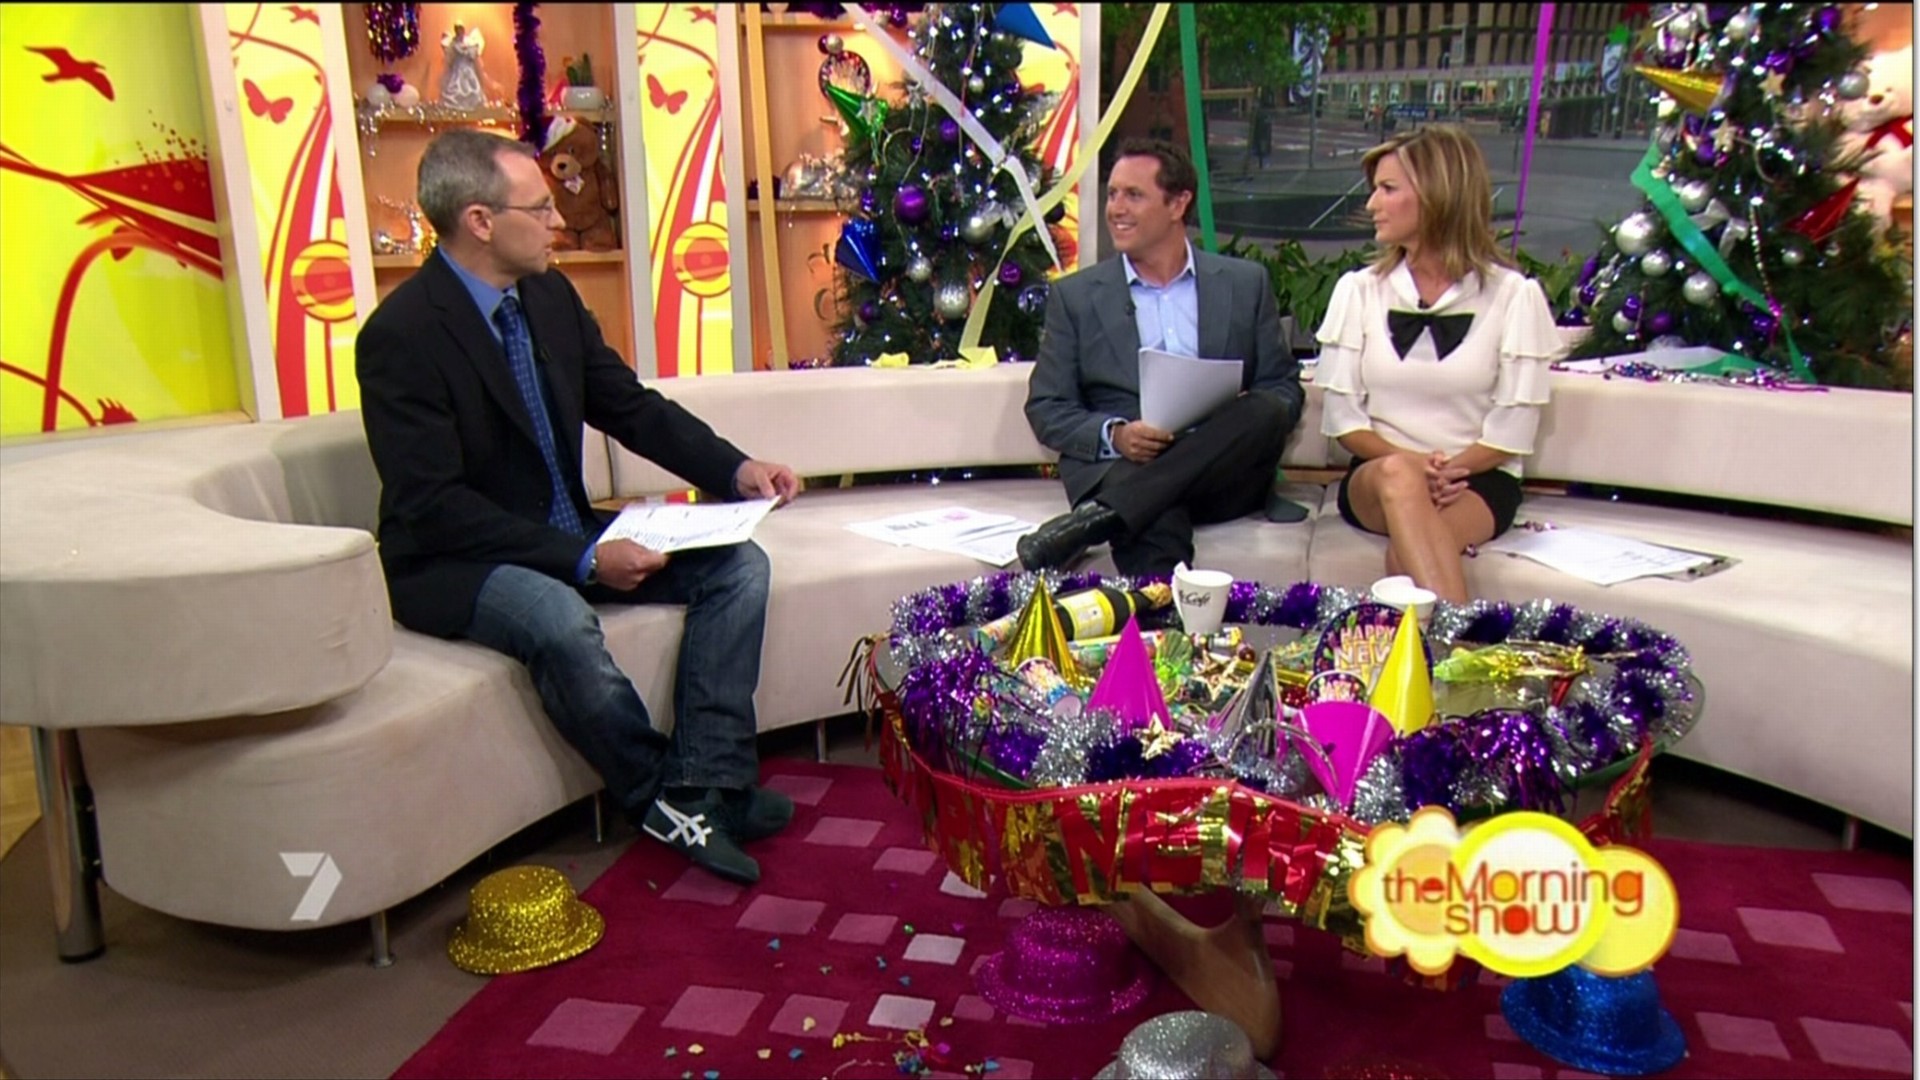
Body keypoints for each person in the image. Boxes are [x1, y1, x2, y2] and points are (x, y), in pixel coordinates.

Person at [356, 129, 802, 886]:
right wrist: (586, 559)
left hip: (568, 532)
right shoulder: (402, 337)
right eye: (540, 208)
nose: (560, 220)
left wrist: (735, 468)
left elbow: (629, 406)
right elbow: (433, 506)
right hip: (457, 561)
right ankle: (662, 798)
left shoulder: (549, 297)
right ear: (480, 221)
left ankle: (708, 781)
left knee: (738, 566)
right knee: (557, 616)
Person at [1019, 139, 1306, 578]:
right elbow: (1046, 406)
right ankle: (1166, 619)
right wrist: (1116, 435)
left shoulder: (1244, 284)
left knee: (1265, 409)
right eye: (1112, 194)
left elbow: (1283, 388)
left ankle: (1094, 521)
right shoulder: (1076, 297)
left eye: (1134, 195)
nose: (1116, 209)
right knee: (1152, 512)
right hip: (1124, 466)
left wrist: (1226, 417)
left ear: (1178, 203)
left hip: (1222, 473)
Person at [1312, 124, 1562, 605]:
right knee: (1398, 476)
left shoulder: (1513, 296)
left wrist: (1446, 471)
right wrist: (1414, 466)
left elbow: (1511, 432)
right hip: (1377, 474)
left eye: (1388, 189)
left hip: (1477, 479)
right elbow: (1345, 423)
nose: (1372, 204)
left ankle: (1440, 646)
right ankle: (1461, 648)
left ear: (1436, 195)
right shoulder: (1359, 291)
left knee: (1408, 559)